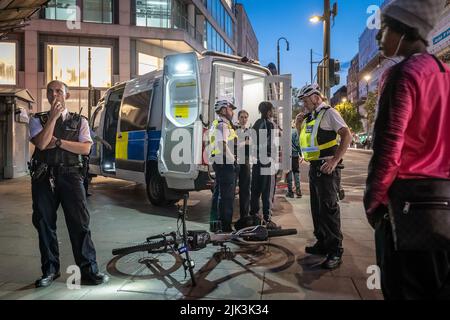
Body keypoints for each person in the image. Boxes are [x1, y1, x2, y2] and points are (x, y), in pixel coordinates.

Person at [365, 0, 450, 300]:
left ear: (405, 30)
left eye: (385, 28)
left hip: (406, 207)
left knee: (403, 288)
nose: (380, 36)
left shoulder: (403, 74)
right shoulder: (445, 73)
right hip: (443, 206)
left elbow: (388, 149)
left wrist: (373, 202)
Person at [29, 80, 109, 287]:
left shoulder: (80, 121)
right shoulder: (37, 119)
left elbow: (85, 149)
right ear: (46, 96)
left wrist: (59, 142)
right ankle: (50, 271)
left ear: (67, 95)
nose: (54, 95)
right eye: (50, 92)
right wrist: (53, 118)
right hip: (43, 177)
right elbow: (40, 143)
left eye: (59, 91)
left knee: (79, 224)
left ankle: (89, 271)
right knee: (45, 224)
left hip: (71, 177)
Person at [296, 84, 352, 269]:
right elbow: (306, 143)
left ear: (315, 97)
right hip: (315, 168)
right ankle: (322, 243)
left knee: (329, 210)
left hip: (327, 168)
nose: (304, 104)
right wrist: (298, 126)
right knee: (317, 209)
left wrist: (335, 160)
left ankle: (335, 251)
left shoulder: (330, 113)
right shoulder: (311, 117)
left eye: (305, 100)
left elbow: (346, 135)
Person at [249, 102, 279, 230]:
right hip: (266, 160)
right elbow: (271, 144)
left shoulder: (256, 123)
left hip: (256, 161)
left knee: (255, 190)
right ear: (268, 112)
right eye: (272, 110)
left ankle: (254, 217)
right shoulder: (269, 125)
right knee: (267, 191)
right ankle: (267, 219)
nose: (273, 112)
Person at [209, 99, 238, 232]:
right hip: (225, 162)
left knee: (218, 193)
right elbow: (222, 145)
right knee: (227, 196)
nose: (232, 112)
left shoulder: (216, 124)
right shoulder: (223, 125)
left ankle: (215, 224)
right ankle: (225, 226)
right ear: (223, 110)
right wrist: (233, 160)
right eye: (230, 109)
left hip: (218, 162)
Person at [83, 128, 112, 197]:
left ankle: (84, 191)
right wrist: (105, 142)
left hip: (83, 153)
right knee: (84, 174)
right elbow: (95, 136)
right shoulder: (84, 127)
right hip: (83, 154)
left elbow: (94, 136)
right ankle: (84, 192)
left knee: (84, 173)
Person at [235, 110, 251, 219]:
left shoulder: (249, 131)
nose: (244, 119)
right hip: (235, 161)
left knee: (245, 189)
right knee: (231, 190)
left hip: (245, 161)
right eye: (242, 117)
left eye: (245, 117)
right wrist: (245, 142)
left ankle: (244, 216)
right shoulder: (234, 130)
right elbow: (233, 144)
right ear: (238, 118)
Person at [286, 120, 303, 199]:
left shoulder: (285, 132)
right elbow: (297, 144)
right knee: (296, 172)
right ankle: (298, 190)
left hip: (287, 155)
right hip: (295, 155)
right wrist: (300, 153)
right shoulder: (296, 132)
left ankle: (290, 192)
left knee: (288, 173)